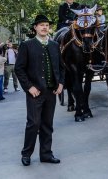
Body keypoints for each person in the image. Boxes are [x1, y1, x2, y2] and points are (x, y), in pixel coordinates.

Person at [15, 14, 65, 166]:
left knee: (47, 124)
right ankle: (26, 154)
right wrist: (29, 87)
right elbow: (19, 69)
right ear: (35, 28)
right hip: (35, 92)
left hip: (51, 92)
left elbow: (62, 68)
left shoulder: (54, 45)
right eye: (41, 25)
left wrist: (61, 83)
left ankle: (46, 154)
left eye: (47, 25)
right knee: (33, 123)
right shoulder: (27, 45)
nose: (44, 27)